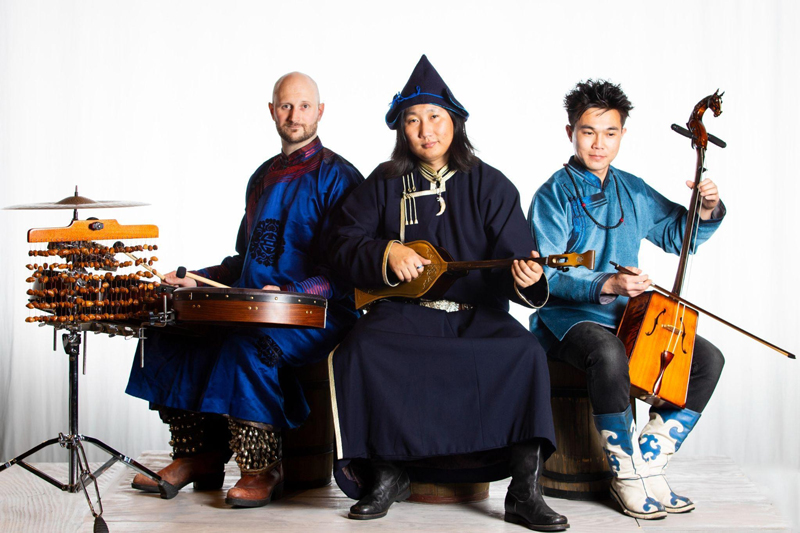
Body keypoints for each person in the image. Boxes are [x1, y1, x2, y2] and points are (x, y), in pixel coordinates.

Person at [327, 55, 568, 532]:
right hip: (401, 313)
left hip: (475, 315)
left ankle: (524, 489)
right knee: (359, 349)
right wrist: (386, 253)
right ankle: (388, 473)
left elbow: (521, 258)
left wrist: (527, 278)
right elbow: (340, 242)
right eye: (413, 121)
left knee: (523, 352)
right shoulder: (384, 182)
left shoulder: (492, 185)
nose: (425, 130)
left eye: (435, 117)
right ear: (402, 130)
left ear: (454, 123)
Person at [125, 72, 363, 507]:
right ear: (272, 111)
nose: (294, 115)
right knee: (168, 330)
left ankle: (261, 468)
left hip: (318, 313)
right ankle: (199, 457)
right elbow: (242, 262)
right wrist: (194, 278)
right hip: (253, 307)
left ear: (320, 111)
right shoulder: (261, 177)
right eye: (285, 106)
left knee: (247, 345)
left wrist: (290, 291)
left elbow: (346, 271)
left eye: (304, 106)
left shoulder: (340, 177)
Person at [528, 79, 726, 520]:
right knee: (609, 353)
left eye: (610, 133)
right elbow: (550, 277)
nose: (599, 144)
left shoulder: (632, 189)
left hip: (626, 316)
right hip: (565, 319)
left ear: (622, 135)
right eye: (588, 132)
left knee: (707, 358)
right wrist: (608, 284)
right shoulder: (552, 195)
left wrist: (707, 206)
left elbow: (679, 234)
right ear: (570, 133)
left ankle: (649, 460)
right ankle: (625, 473)